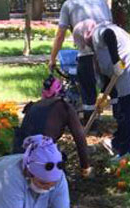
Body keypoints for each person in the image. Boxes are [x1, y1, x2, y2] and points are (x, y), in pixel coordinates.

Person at [73, 19, 130, 159]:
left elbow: (109, 35)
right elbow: (108, 77)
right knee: (123, 111)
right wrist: (102, 97)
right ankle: (117, 143)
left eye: (85, 43)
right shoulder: (98, 44)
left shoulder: (98, 32)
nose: (87, 46)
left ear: (85, 35)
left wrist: (116, 62)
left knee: (127, 114)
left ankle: (127, 152)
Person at [49, 0, 112, 128]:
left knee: (87, 89)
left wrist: (52, 59)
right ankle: (120, 123)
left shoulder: (69, 4)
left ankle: (91, 125)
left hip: (86, 53)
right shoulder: (102, 2)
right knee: (111, 88)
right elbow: (111, 27)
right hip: (107, 53)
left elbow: (60, 34)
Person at [12, 76, 92, 176]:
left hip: (19, 156)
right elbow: (80, 138)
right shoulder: (64, 107)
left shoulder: (34, 106)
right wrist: (85, 167)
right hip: (41, 158)